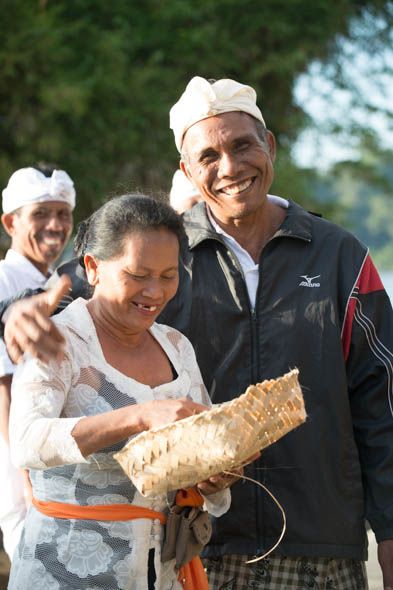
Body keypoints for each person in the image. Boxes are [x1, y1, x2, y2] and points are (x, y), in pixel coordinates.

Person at [3, 77, 393, 589]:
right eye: (208, 156)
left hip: (323, 547)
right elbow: (74, 289)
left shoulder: (340, 256)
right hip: (196, 554)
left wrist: (387, 542)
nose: (229, 167)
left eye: (242, 145)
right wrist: (15, 315)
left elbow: (381, 406)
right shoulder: (159, 248)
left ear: (269, 146)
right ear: (187, 170)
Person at [7, 194, 236, 590]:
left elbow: (197, 457)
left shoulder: (177, 347)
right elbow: (27, 442)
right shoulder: (60, 340)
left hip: (158, 574)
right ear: (93, 268)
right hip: (59, 573)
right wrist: (140, 415)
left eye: (168, 275)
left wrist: (213, 476)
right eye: (138, 274)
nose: (155, 292)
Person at [0, 166, 75, 559]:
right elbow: (4, 388)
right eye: (41, 214)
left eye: (63, 213)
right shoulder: (3, 283)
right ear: (11, 222)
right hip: (21, 468)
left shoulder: (58, 285)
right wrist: (26, 480)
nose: (55, 224)